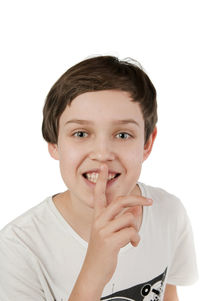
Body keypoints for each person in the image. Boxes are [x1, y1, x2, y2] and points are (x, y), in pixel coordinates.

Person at [0, 55, 198, 301]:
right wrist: (93, 273)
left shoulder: (170, 213)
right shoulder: (18, 247)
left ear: (147, 143)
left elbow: (168, 294)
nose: (103, 154)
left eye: (123, 135)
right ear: (54, 143)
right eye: (81, 133)